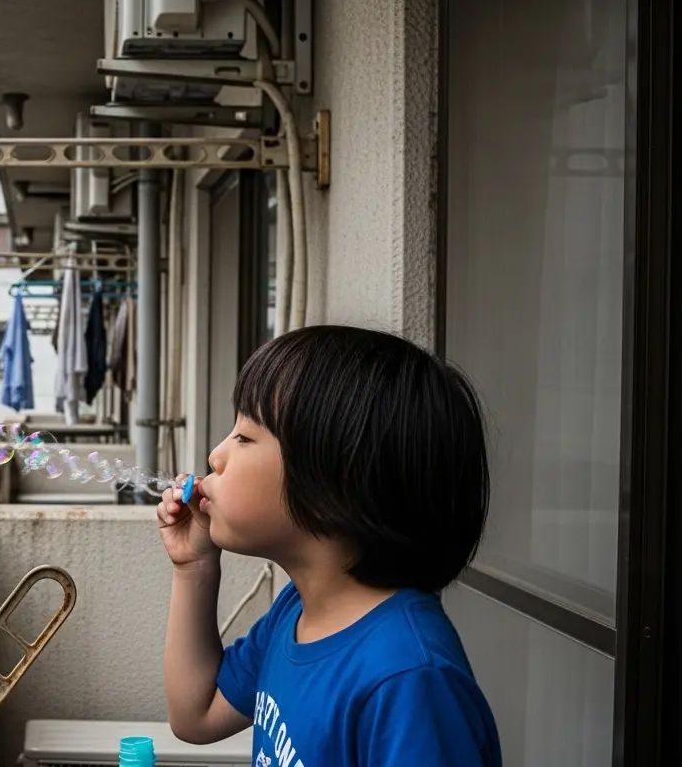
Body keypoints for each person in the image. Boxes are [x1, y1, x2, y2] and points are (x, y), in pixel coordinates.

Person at [156, 325, 501, 766]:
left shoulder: (409, 677)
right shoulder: (298, 610)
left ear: (335, 484)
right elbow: (196, 715)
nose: (216, 456)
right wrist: (193, 567)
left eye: (244, 436)